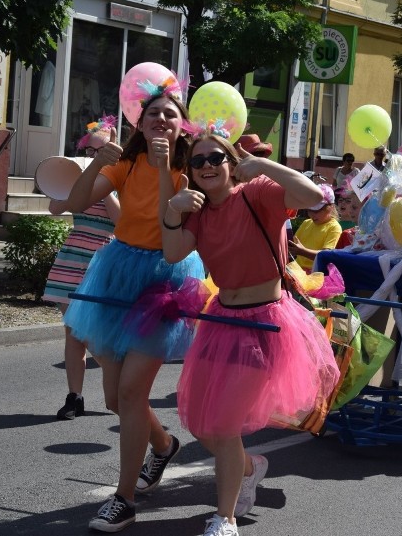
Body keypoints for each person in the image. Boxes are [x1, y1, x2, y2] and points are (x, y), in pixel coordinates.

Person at [160, 131, 340, 536]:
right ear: (190, 170)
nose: (207, 165)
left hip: (265, 324)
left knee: (223, 427)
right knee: (204, 426)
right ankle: (250, 467)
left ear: (231, 161)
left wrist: (262, 166)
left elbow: (313, 195)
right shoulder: (199, 211)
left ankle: (224, 518)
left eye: (215, 157)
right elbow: (173, 252)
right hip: (223, 320)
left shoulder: (257, 192)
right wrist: (172, 211)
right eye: (198, 160)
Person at [62, 90, 205, 532]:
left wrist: (164, 169)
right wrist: (94, 162)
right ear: (140, 123)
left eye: (171, 114)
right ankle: (163, 446)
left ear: (183, 126)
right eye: (153, 113)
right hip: (117, 272)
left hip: (163, 280)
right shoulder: (125, 163)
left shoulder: (192, 171)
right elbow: (73, 202)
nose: (161, 118)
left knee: (129, 394)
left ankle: (123, 499)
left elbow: (169, 229)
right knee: (114, 399)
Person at [43, 119, 120, 421]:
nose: (94, 155)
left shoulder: (120, 178)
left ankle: (119, 381)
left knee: (88, 334)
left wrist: (102, 187)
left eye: (100, 149)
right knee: (73, 334)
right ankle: (74, 397)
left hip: (100, 262)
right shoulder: (80, 175)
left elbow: (122, 221)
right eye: (90, 149)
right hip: (73, 260)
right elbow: (54, 208)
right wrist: (81, 180)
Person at [289, 184, 342, 273]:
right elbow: (293, 247)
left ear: (331, 207)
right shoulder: (307, 223)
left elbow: (326, 256)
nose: (312, 215)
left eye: (317, 211)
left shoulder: (334, 228)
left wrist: (302, 251)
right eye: (309, 210)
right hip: (296, 271)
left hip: (316, 274)